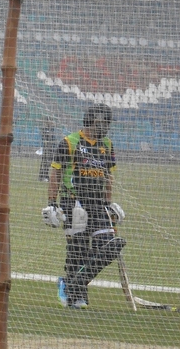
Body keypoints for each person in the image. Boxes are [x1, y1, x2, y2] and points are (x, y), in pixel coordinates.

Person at [42, 103, 126, 309]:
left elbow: (108, 176)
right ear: (90, 121)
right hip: (74, 202)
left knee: (109, 246)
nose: (105, 127)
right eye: (101, 122)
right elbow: (56, 173)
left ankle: (70, 283)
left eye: (107, 123)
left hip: (98, 204)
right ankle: (77, 292)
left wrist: (108, 203)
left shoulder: (107, 144)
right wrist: (52, 203)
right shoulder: (69, 142)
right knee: (77, 250)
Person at [38, 116, 56, 181]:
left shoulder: (52, 129)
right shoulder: (45, 129)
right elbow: (44, 138)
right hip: (47, 148)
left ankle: (45, 175)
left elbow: (53, 139)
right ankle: (42, 176)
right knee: (45, 162)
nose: (52, 122)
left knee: (49, 162)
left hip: (51, 148)